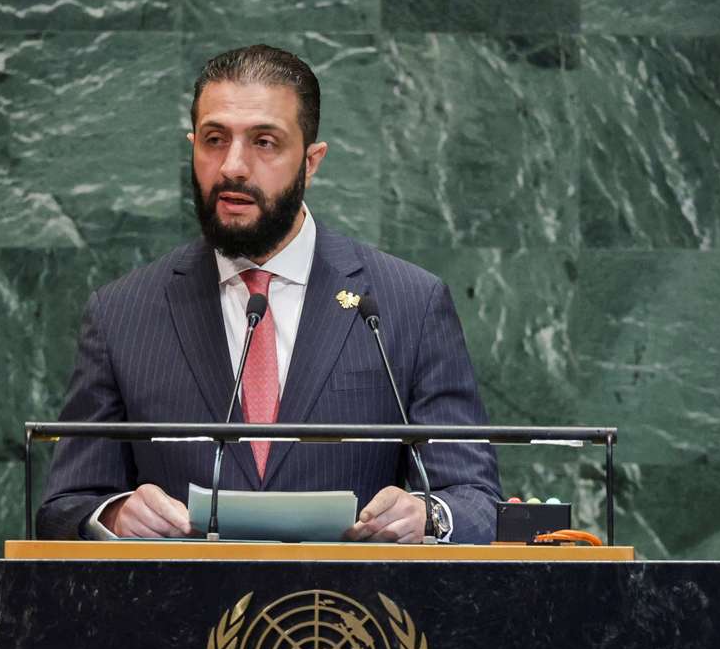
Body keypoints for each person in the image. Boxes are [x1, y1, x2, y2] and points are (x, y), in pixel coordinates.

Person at [36, 45, 502, 544]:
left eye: (264, 142)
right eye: (214, 140)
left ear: (311, 162)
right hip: (175, 611)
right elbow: (64, 506)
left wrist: (425, 515)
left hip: (350, 613)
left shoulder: (408, 303)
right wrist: (114, 515)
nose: (233, 166)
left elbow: (474, 498)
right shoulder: (121, 313)